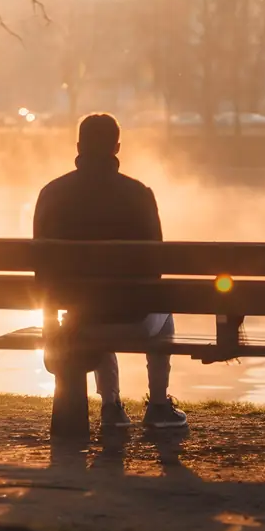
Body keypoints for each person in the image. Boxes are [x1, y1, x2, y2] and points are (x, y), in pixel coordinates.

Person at [33, 113, 187, 430]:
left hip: (80, 320)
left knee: (91, 308)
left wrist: (51, 319)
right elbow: (155, 267)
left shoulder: (51, 193)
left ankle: (111, 407)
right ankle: (158, 406)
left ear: (78, 146)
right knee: (162, 310)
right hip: (133, 320)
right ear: (117, 147)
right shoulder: (138, 194)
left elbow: (41, 269)